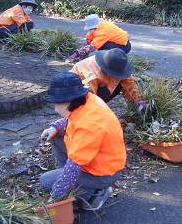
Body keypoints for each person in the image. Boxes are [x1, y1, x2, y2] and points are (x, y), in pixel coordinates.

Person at [39, 72, 126, 211]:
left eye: (57, 103)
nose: (56, 109)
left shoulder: (89, 126)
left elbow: (74, 166)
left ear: (69, 101)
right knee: (55, 135)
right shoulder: (87, 99)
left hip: (103, 172)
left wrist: (54, 199)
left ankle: (97, 190)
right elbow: (72, 119)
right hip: (100, 159)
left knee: (47, 181)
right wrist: (55, 127)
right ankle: (74, 184)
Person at [70, 48, 144, 109]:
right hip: (73, 92)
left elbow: (128, 83)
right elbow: (88, 97)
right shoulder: (92, 75)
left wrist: (137, 99)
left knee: (118, 86)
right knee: (103, 93)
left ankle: (100, 105)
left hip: (98, 84)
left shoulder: (117, 64)